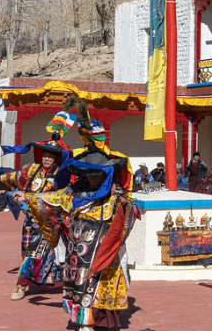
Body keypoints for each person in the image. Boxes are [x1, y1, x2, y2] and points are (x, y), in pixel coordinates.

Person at [15, 98, 139, 331]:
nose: (92, 178)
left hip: (103, 247)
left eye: (96, 174)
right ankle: (83, 321)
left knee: (98, 281)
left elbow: (132, 211)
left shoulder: (114, 194)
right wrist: (28, 198)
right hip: (79, 247)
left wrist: (125, 204)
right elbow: (53, 198)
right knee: (80, 281)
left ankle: (97, 320)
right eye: (88, 173)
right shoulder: (76, 189)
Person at [0, 129, 71, 301]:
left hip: (51, 221)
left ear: (56, 159)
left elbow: (61, 197)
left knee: (52, 254)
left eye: (50, 156)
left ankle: (26, 283)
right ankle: (24, 283)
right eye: (45, 155)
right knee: (28, 252)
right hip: (31, 221)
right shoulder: (32, 171)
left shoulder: (61, 175)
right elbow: (14, 177)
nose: (46, 159)